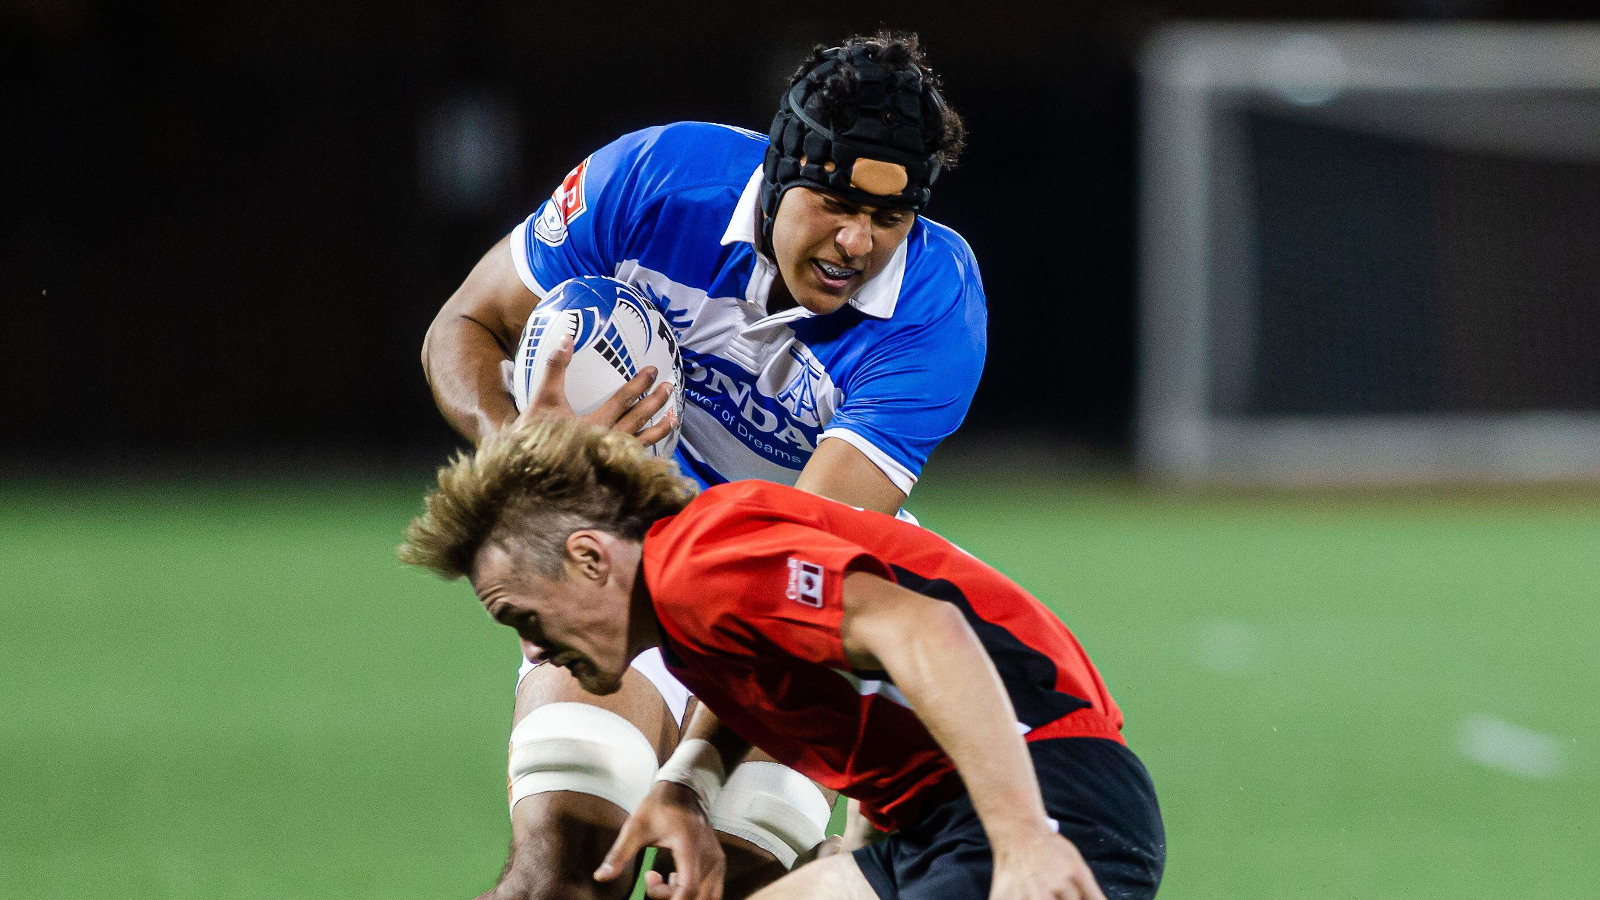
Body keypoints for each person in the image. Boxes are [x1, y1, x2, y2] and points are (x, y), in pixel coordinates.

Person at [421, 31, 987, 900]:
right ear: (778, 172)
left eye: (888, 217)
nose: (856, 241)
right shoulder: (655, 179)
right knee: (565, 863)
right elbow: (464, 325)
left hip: (793, 597)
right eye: (835, 203)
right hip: (633, 563)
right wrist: (520, 450)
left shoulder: (935, 306)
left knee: (735, 881)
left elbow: (785, 565)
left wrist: (689, 777)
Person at [399, 418, 1166, 900]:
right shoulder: (689, 610)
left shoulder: (699, 561)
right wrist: (686, 788)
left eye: (523, 615)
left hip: (1046, 794)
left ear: (591, 557)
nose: (533, 648)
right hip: (951, 818)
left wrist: (1025, 837)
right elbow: (848, 695)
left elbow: (927, 631)